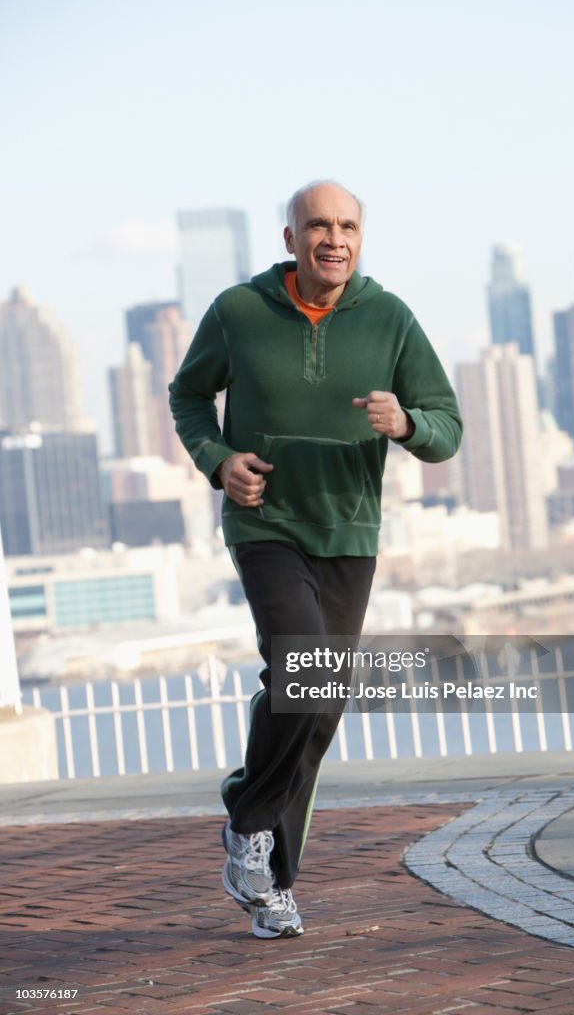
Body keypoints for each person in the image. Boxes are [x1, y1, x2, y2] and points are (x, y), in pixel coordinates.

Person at [169, 180, 463, 938]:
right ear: (290, 237)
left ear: (360, 237)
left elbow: (446, 426)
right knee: (300, 667)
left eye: (347, 227)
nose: (334, 239)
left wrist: (406, 421)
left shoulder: (390, 317)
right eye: (318, 226)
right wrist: (216, 459)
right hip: (265, 521)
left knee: (319, 704)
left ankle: (266, 875)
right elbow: (189, 397)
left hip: (349, 530)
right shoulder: (238, 311)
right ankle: (252, 826)